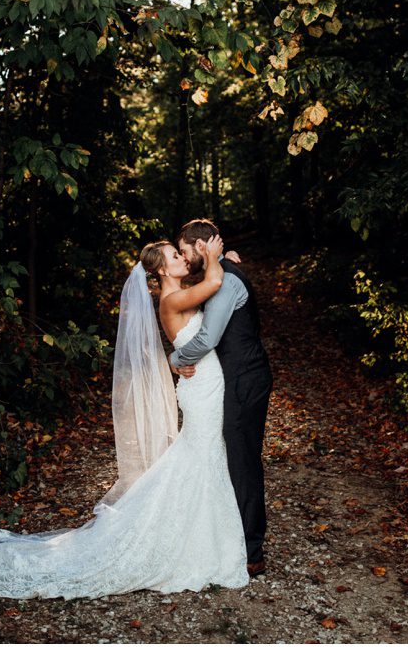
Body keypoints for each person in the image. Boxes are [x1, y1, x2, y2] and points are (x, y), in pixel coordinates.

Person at [0, 235, 249, 599]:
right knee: (201, 456)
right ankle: (191, 545)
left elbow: (209, 283)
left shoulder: (183, 290)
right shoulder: (172, 300)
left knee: (201, 457)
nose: (183, 259)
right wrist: (217, 257)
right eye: (175, 255)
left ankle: (199, 538)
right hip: (201, 389)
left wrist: (225, 258)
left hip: (205, 384)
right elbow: (215, 281)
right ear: (159, 269)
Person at [169, 219, 273, 578]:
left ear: (201, 248)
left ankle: (251, 552)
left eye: (184, 251)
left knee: (244, 462)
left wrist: (175, 359)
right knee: (233, 457)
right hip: (239, 379)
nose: (184, 257)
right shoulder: (221, 273)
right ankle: (234, 536)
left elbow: (208, 338)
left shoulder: (226, 280)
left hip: (245, 379)